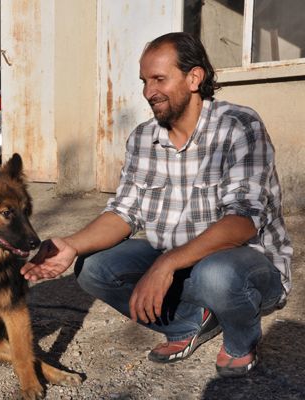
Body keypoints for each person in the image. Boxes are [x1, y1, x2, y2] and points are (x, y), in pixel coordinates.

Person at [21, 32, 292, 377]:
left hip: (246, 267)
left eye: (160, 79)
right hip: (179, 260)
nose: (149, 92)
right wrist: (71, 245)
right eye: (145, 81)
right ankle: (189, 323)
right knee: (93, 267)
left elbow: (243, 222)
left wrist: (165, 265)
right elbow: (123, 213)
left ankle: (240, 339)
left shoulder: (238, 126)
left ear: (194, 78)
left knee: (216, 274)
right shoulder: (143, 138)